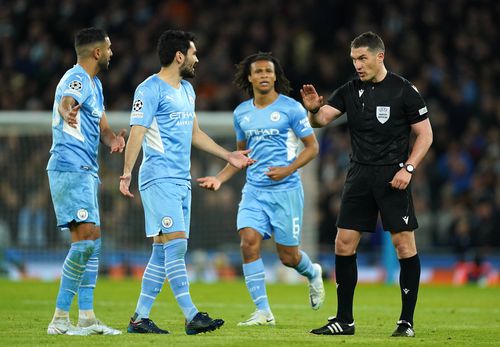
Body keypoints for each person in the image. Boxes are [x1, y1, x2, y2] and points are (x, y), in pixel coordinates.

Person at [119, 29, 254, 335]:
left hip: (181, 179)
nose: (197, 58)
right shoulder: (148, 89)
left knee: (163, 251)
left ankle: (139, 318)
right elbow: (137, 131)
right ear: (179, 56)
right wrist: (127, 170)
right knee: (177, 246)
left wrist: (228, 156)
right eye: (193, 53)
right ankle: (192, 315)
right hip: (158, 177)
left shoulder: (187, 91)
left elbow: (194, 134)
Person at [301, 31, 433, 337]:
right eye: (354, 60)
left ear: (379, 56)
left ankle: (406, 323)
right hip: (359, 175)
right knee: (343, 243)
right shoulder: (350, 90)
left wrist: (409, 168)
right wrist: (312, 109)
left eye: (362, 58)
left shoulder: (404, 90)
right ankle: (344, 320)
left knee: (403, 245)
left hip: (393, 176)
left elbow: (425, 135)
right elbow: (321, 120)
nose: (358, 65)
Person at [197, 52, 325, 326]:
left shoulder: (291, 108)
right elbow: (240, 157)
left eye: (269, 71)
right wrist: (220, 178)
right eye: (259, 72)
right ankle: (264, 312)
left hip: (286, 190)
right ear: (249, 78)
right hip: (254, 191)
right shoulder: (241, 113)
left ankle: (312, 272)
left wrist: (288, 169)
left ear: (276, 76)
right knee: (248, 243)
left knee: (288, 257)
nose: (264, 75)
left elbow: (313, 147)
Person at [46, 27, 125, 336]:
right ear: (96, 53)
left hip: (86, 170)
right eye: (108, 48)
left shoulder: (96, 85)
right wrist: (66, 112)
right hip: (69, 167)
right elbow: (66, 101)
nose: (111, 52)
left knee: (93, 241)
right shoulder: (76, 78)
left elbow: (103, 128)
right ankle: (60, 320)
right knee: (84, 244)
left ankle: (88, 318)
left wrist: (113, 140)